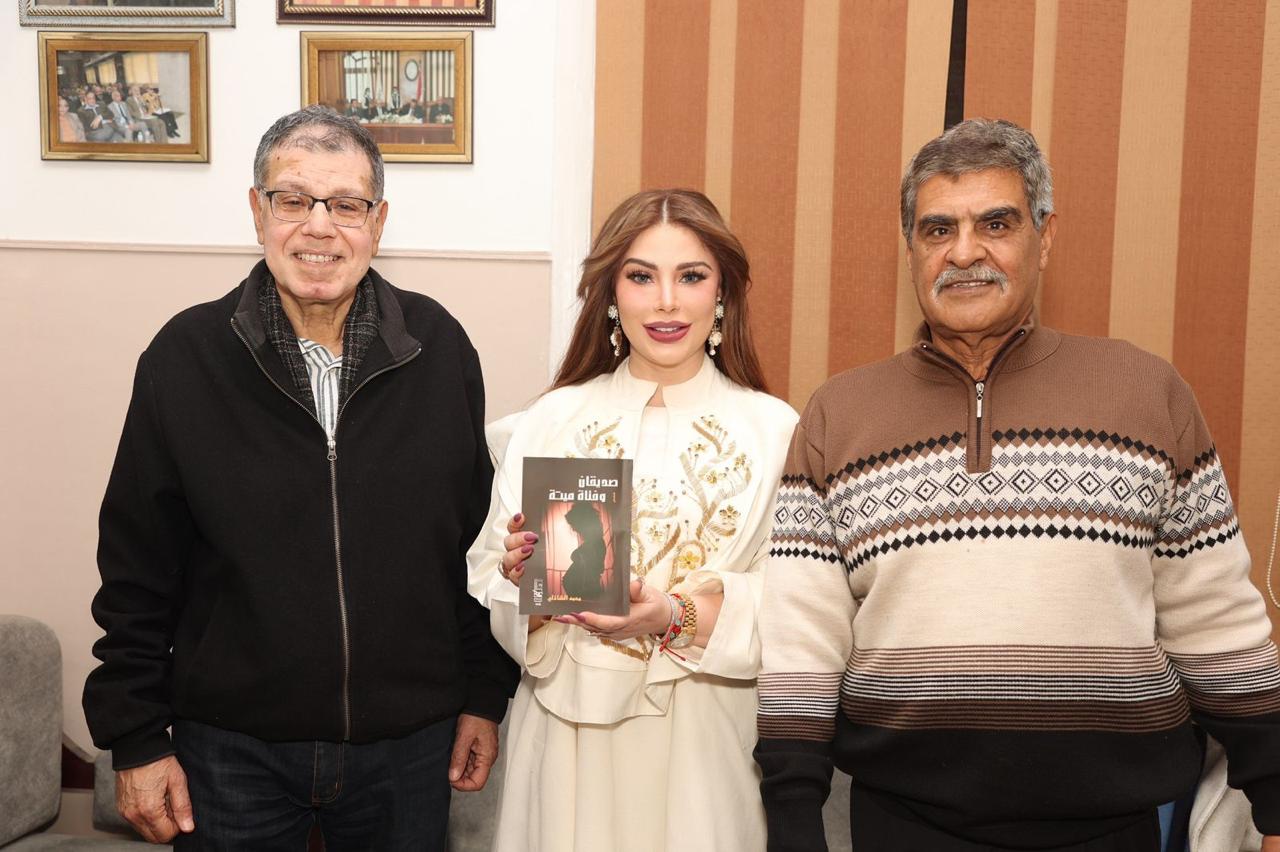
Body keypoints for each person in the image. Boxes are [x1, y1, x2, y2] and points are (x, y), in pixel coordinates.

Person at [755, 118, 1280, 852]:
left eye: (995, 224)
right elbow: (800, 640)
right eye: (938, 230)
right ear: (911, 249)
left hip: (1111, 830)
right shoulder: (838, 415)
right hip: (902, 826)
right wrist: (792, 823)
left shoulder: (1145, 393)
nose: (964, 252)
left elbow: (1215, 619)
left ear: (1045, 236)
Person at [83, 105, 518, 850]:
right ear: (258, 213)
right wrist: (136, 737)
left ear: (378, 222)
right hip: (228, 752)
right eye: (294, 201)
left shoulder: (439, 348)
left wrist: (484, 695)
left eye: (346, 205)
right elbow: (136, 567)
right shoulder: (184, 357)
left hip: (409, 747)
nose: (320, 228)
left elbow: (473, 544)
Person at [467, 189, 798, 852]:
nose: (666, 302)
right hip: (565, 739)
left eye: (691, 276)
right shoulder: (551, 419)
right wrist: (525, 586)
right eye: (642, 277)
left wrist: (673, 615)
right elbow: (488, 579)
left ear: (723, 294)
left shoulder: (776, 432)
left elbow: (797, 605)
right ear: (612, 295)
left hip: (703, 740)